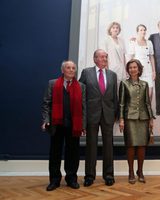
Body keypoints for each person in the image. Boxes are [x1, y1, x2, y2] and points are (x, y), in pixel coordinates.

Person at [41, 60, 86, 191]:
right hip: (56, 124)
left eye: (73, 68)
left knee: (73, 153)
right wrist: (46, 119)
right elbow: (46, 104)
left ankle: (71, 179)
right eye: (68, 68)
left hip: (74, 125)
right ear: (63, 70)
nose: (71, 70)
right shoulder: (53, 83)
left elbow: (84, 107)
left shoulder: (81, 86)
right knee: (55, 153)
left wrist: (83, 125)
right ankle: (54, 180)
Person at [79, 49, 118, 187]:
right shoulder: (86, 72)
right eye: (102, 57)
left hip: (108, 115)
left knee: (108, 146)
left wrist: (116, 115)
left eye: (106, 57)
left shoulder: (113, 75)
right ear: (94, 59)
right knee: (91, 146)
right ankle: (89, 176)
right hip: (91, 114)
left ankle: (108, 175)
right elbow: (80, 93)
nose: (104, 59)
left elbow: (115, 97)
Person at [119, 59, 153, 184]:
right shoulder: (124, 83)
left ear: (139, 69)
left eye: (135, 67)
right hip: (129, 118)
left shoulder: (145, 84)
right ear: (128, 70)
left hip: (143, 118)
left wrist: (151, 118)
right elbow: (121, 103)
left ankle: (140, 171)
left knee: (142, 146)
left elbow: (147, 103)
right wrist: (121, 119)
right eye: (130, 67)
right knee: (131, 145)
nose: (132, 69)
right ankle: (131, 172)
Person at [128, 24, 156, 102]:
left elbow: (151, 57)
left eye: (144, 30)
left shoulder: (149, 42)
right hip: (138, 70)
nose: (143, 31)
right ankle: (140, 113)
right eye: (141, 30)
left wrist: (154, 71)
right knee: (139, 93)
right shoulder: (133, 42)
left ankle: (149, 112)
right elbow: (130, 58)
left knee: (150, 92)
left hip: (148, 69)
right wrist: (129, 71)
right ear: (137, 32)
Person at [104, 21, 127, 88]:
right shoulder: (107, 40)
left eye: (117, 28)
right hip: (112, 68)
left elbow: (123, 56)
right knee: (113, 89)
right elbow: (105, 56)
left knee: (122, 89)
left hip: (122, 69)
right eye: (113, 28)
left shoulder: (122, 40)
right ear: (110, 29)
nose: (115, 29)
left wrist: (126, 69)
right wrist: (106, 69)